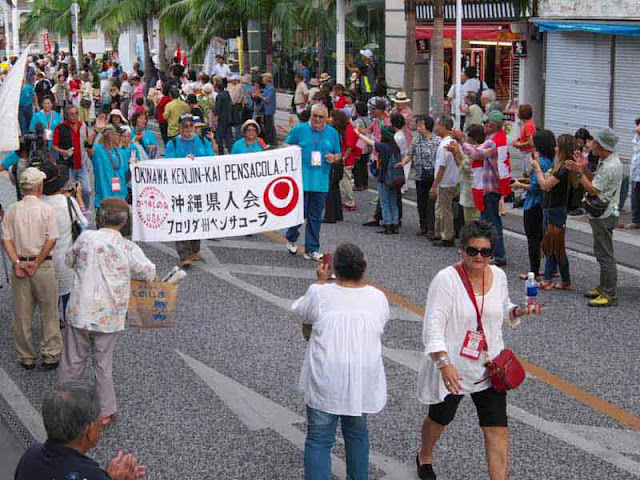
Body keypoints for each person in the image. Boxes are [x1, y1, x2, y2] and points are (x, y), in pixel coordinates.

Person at [416, 220, 538, 480]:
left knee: (497, 429)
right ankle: (424, 456)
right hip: (454, 369)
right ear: (461, 250)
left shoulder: (500, 276)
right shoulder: (446, 280)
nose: (479, 257)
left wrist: (517, 311)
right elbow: (433, 326)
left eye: (485, 252)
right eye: (473, 251)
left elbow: (502, 308)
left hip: (489, 367)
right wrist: (443, 363)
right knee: (439, 419)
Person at [292, 243, 388, 480]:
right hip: (362, 375)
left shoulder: (320, 292)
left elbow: (301, 311)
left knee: (319, 438)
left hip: (327, 374)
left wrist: (320, 281)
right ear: (363, 269)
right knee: (357, 434)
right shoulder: (377, 297)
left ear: (334, 268)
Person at [58, 197, 155, 426]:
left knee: (72, 360)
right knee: (103, 364)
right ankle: (105, 412)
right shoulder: (127, 247)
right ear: (124, 222)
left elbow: (69, 260)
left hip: (80, 309)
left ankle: (63, 404)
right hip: (108, 315)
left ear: (100, 217)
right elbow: (148, 271)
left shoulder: (85, 238)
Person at [14, 381, 147, 480]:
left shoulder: (30, 455)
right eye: (99, 421)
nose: (102, 423)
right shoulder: (90, 475)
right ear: (88, 430)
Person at [2, 167, 61, 370]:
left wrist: (16, 263)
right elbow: (51, 239)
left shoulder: (12, 209)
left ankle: (26, 356)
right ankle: (51, 354)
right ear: (39, 186)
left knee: (22, 314)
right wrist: (36, 263)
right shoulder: (47, 210)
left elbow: (6, 239)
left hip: (19, 264)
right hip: (42, 265)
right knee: (50, 311)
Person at [566, 128, 623, 307]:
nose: (592, 145)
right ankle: (604, 286)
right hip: (605, 211)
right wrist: (583, 166)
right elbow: (594, 180)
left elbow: (592, 189)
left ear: (604, 146)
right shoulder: (606, 160)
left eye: (595, 143)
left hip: (604, 213)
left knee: (605, 253)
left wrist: (578, 172)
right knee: (601, 251)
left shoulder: (610, 166)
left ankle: (609, 292)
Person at [285, 103, 342, 261]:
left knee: (315, 217)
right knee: (299, 215)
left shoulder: (333, 133)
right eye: (314, 116)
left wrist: (334, 158)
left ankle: (312, 248)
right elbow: (286, 145)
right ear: (310, 115)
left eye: (321, 117)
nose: (317, 119)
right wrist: (294, 150)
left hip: (321, 181)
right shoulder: (299, 129)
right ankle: (291, 236)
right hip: (300, 180)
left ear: (327, 118)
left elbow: (338, 154)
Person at [40, 163, 88, 329]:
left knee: (50, 293)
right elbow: (84, 222)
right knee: (67, 289)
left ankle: (52, 321)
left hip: (42, 257)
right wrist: (79, 197)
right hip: (64, 256)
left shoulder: (36, 204)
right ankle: (68, 318)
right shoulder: (67, 202)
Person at [165, 114, 215, 268]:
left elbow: (211, 158)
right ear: (180, 127)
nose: (188, 128)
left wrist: (211, 143)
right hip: (180, 189)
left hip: (199, 188)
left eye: (191, 125)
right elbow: (167, 163)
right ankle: (184, 255)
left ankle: (195, 250)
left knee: (196, 218)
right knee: (182, 219)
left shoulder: (202, 140)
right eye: (185, 126)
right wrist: (183, 161)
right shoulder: (172, 143)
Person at [533, 133, 575, 291]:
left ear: (562, 148)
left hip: (555, 210)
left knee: (552, 244)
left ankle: (549, 278)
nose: (555, 148)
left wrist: (537, 169)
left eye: (558, 145)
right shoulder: (561, 166)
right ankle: (564, 280)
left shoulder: (562, 169)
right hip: (555, 208)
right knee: (555, 245)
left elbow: (544, 185)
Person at [512, 129, 554, 280]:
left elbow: (535, 186)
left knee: (533, 239)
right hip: (546, 203)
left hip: (534, 204)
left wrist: (519, 185)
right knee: (545, 238)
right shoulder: (552, 160)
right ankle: (550, 269)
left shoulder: (539, 162)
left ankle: (534, 271)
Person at [398, 116, 440, 237]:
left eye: (421, 125)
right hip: (420, 176)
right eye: (418, 124)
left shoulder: (437, 141)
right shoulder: (416, 140)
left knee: (432, 202)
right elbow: (410, 153)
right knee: (421, 202)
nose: (419, 127)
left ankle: (432, 228)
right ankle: (423, 227)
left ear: (428, 126)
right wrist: (404, 162)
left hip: (433, 176)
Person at [356, 124, 402, 234]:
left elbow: (369, 141)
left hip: (384, 178)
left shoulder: (383, 147)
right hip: (395, 178)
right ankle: (395, 224)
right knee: (393, 202)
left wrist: (358, 134)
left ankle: (387, 225)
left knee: (385, 202)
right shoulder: (395, 147)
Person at [479, 111, 509, 266]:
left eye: (485, 123)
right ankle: (491, 252)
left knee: (491, 222)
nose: (483, 125)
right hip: (494, 186)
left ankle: (498, 254)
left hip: (490, 187)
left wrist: (461, 142)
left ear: (491, 124)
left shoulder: (492, 142)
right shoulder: (497, 138)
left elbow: (476, 153)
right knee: (490, 221)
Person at [52, 105, 93, 209]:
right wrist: (63, 152)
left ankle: (84, 210)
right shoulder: (59, 128)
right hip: (68, 166)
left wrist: (91, 146)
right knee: (69, 191)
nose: (74, 116)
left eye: (76, 114)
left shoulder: (82, 125)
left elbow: (87, 142)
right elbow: (54, 146)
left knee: (87, 190)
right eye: (71, 114)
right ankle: (73, 212)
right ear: (66, 115)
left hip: (82, 164)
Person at [430, 116, 458, 247]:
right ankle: (441, 233)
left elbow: (441, 167)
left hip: (446, 182)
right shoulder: (452, 142)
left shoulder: (445, 145)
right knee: (442, 208)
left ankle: (447, 236)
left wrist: (434, 185)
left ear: (443, 127)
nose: (435, 128)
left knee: (445, 210)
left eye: (437, 125)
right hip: (451, 180)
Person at [85, 125, 129, 208]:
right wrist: (96, 130)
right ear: (110, 136)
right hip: (104, 200)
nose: (121, 138)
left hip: (121, 199)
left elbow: (126, 174)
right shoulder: (98, 151)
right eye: (119, 135)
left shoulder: (122, 152)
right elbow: (87, 146)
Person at [620, 117, 640, 229]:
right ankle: (636, 220)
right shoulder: (637, 138)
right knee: (636, 197)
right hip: (637, 174)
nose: (637, 128)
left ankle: (636, 220)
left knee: (636, 197)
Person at [352, 102, 372, 191]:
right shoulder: (369, 119)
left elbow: (354, 131)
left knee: (357, 165)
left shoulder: (358, 121)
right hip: (368, 143)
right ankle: (365, 183)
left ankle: (358, 184)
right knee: (364, 165)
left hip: (360, 143)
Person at [511, 104, 536, 176]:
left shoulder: (528, 125)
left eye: (518, 111)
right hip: (526, 153)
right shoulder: (526, 124)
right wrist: (518, 140)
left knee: (527, 174)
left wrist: (518, 145)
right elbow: (526, 137)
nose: (516, 113)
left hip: (528, 154)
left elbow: (531, 142)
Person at [257, 72, 277, 147]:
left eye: (263, 78)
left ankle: (271, 142)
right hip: (264, 109)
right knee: (266, 125)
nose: (262, 80)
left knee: (269, 126)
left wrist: (259, 96)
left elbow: (267, 99)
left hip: (269, 110)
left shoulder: (271, 88)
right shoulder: (266, 88)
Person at [214, 81, 234, 154]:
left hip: (221, 119)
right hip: (228, 118)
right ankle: (230, 151)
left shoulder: (219, 96)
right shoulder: (227, 94)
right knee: (228, 137)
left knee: (220, 137)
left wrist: (215, 120)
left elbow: (218, 109)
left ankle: (221, 152)